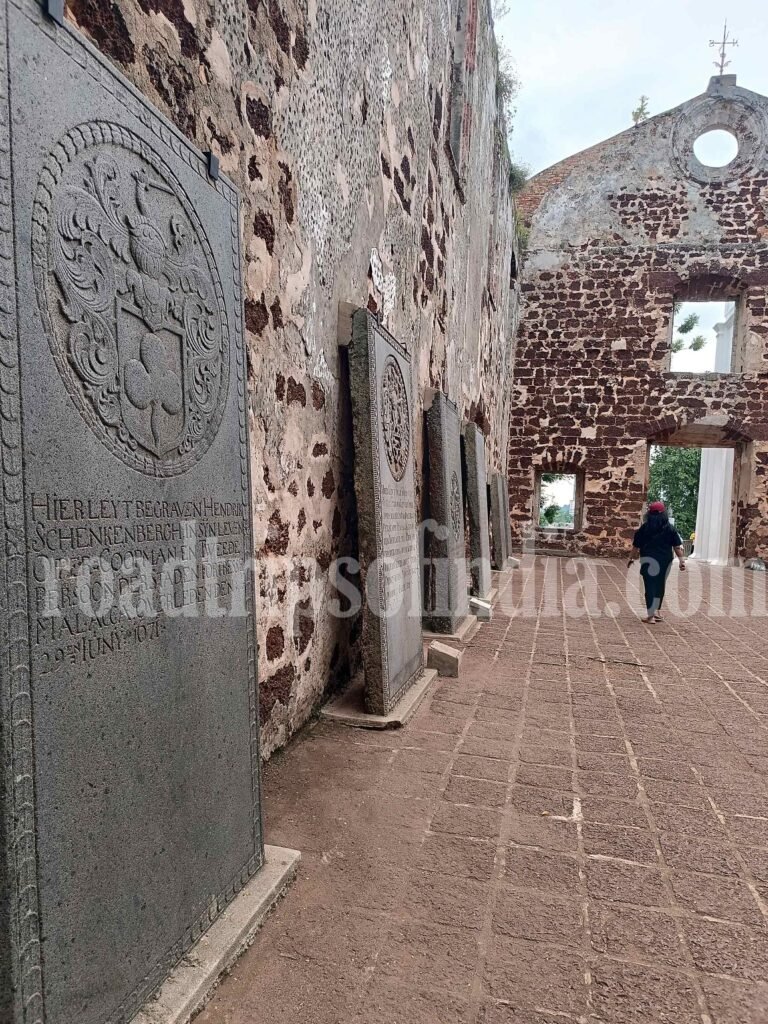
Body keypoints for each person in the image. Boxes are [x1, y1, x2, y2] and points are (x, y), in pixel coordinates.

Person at [627, 501, 686, 623]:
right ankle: (656, 611)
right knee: (660, 585)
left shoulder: (644, 528)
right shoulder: (670, 528)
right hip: (665, 561)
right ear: (664, 514)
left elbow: (636, 546)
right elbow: (676, 546)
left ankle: (651, 615)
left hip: (648, 560)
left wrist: (631, 558)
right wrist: (681, 560)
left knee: (650, 585)